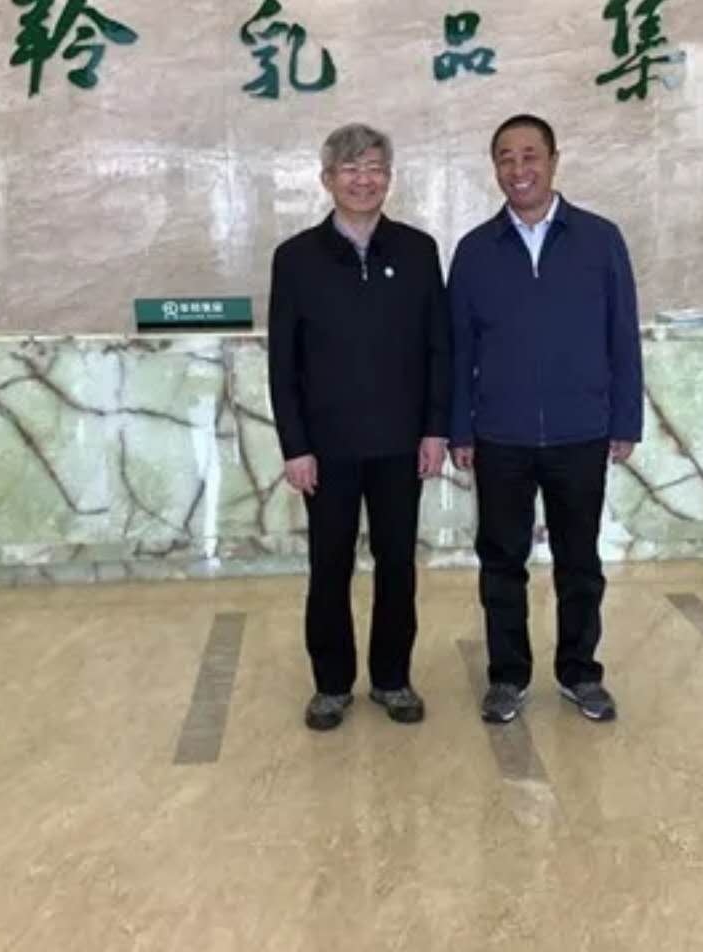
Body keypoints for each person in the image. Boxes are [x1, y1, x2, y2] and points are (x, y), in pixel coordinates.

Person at [448, 114, 643, 725]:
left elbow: (621, 334)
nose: (519, 169)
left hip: (580, 430)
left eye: (530, 155)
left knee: (579, 562)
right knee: (501, 563)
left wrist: (625, 419)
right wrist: (460, 428)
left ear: (554, 161)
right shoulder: (475, 251)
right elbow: (458, 348)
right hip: (499, 435)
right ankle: (507, 677)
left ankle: (581, 672)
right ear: (495, 169)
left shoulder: (599, 239)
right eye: (506, 158)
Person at [268, 124, 450, 731]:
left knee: (397, 565)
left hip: (401, 444)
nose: (363, 179)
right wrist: (296, 445)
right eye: (349, 169)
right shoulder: (296, 258)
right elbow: (283, 363)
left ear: (388, 178)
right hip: (327, 449)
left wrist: (435, 429)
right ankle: (331, 685)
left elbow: (439, 348)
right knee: (330, 567)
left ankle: (393, 679)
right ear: (327, 180)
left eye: (374, 168)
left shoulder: (418, 250)